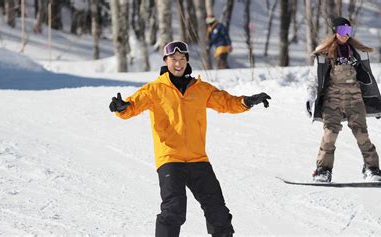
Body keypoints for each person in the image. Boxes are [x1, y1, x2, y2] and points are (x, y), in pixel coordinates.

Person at [109, 41, 271, 237]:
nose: (178, 64)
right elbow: (131, 106)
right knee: (173, 210)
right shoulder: (154, 89)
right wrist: (121, 108)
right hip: (170, 158)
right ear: (166, 61)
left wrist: (246, 101)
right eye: (173, 60)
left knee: (218, 212)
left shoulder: (201, 88)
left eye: (182, 59)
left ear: (186, 61)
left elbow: (226, 102)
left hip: (198, 159)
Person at [306, 17, 381, 183]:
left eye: (348, 31)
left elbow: (367, 80)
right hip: (332, 99)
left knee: (362, 135)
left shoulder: (358, 53)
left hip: (354, 98)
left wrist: (374, 103)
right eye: (342, 31)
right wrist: (311, 96)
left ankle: (372, 168)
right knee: (329, 135)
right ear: (335, 32)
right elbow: (314, 78)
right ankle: (323, 170)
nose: (345, 35)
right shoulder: (325, 54)